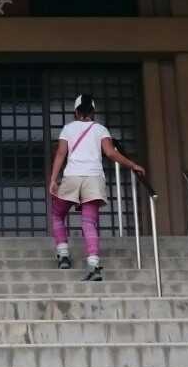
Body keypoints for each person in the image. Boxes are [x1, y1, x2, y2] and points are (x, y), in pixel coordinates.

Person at [47, 93, 145, 281]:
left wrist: (53, 179)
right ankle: (93, 265)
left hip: (72, 176)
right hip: (93, 178)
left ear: (76, 112)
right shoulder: (100, 129)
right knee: (89, 222)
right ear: (93, 112)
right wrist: (133, 165)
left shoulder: (68, 128)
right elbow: (111, 153)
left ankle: (63, 254)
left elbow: (60, 154)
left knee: (57, 214)